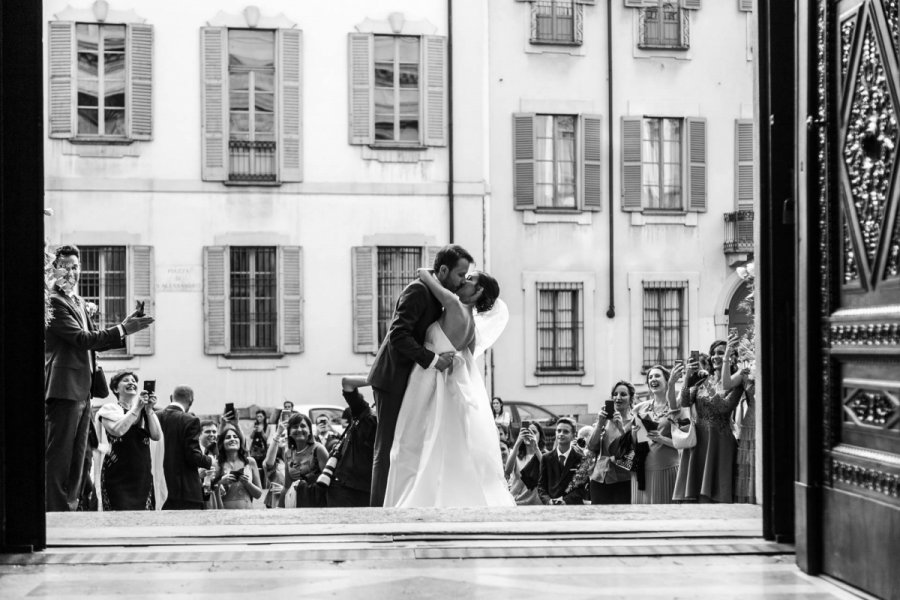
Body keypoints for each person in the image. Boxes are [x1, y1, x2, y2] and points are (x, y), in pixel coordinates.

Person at [383, 267, 515, 508]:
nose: (463, 280)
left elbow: (423, 273)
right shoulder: (471, 325)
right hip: (444, 382)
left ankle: (413, 500)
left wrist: (437, 270)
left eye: (469, 279)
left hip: (427, 379)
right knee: (440, 445)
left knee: (413, 442)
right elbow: (466, 355)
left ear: (479, 290)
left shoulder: (454, 304)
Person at [44, 244, 154, 511]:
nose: (71, 272)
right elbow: (82, 340)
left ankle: (68, 509)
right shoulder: (53, 302)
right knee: (59, 457)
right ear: (53, 270)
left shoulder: (78, 302)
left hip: (83, 390)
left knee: (80, 458)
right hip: (63, 388)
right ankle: (54, 513)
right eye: (65, 266)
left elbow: (97, 342)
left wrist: (125, 327)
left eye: (75, 266)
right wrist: (123, 329)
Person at [367, 244, 472, 507]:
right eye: (460, 275)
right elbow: (398, 335)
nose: (462, 281)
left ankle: (398, 503)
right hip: (393, 379)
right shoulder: (417, 290)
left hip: (412, 381)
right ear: (445, 270)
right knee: (388, 446)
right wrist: (434, 360)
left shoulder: (439, 294)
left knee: (405, 446)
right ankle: (377, 511)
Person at [673, 338, 746, 503]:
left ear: (732, 357)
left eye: (720, 353)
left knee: (716, 497)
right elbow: (685, 401)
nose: (715, 356)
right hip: (699, 441)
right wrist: (688, 377)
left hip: (720, 442)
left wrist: (710, 388)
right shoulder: (704, 379)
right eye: (713, 353)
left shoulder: (736, 382)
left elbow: (724, 407)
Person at [95, 371, 162, 510]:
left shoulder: (145, 411)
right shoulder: (109, 409)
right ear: (115, 389)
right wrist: (137, 407)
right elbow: (118, 430)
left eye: (134, 380)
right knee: (119, 516)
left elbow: (156, 436)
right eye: (126, 380)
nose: (131, 383)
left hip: (141, 475)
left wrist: (149, 410)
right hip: (117, 474)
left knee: (143, 518)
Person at [155, 385, 214, 510]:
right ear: (191, 401)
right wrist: (210, 461)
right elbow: (193, 455)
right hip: (185, 491)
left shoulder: (154, 416)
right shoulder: (190, 420)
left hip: (158, 488)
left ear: (171, 398)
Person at [324, 376, 378, 508]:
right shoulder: (364, 412)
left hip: (371, 489)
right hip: (343, 487)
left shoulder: (397, 423)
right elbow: (347, 382)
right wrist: (379, 378)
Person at [631, 365, 680, 504]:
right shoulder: (639, 408)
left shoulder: (675, 407)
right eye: (650, 377)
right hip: (642, 470)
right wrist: (633, 434)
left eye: (657, 376)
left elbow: (684, 443)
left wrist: (661, 439)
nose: (653, 379)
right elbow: (634, 442)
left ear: (667, 381)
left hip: (667, 469)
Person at [588, 381, 635, 505]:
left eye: (623, 394)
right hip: (600, 477)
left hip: (623, 478)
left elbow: (633, 451)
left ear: (631, 399)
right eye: (615, 394)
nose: (618, 397)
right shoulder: (604, 420)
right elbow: (592, 446)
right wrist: (599, 424)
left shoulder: (635, 422)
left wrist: (621, 429)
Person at [269, 413, 328, 508]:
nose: (299, 429)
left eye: (303, 426)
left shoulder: (319, 450)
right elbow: (287, 486)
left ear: (310, 431)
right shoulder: (288, 453)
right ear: (289, 432)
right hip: (295, 504)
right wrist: (279, 508)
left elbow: (329, 483)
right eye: (295, 426)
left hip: (316, 505)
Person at [214, 423, 263, 509]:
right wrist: (220, 483)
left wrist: (248, 483)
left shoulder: (250, 462)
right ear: (222, 443)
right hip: (225, 514)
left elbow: (258, 495)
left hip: (247, 513)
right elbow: (211, 493)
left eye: (235, 437)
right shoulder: (217, 464)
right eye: (228, 437)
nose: (232, 439)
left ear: (240, 441)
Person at [538, 418, 584, 505]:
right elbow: (541, 486)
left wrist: (565, 501)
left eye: (565, 431)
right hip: (551, 508)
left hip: (572, 507)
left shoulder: (581, 459)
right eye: (558, 431)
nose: (561, 434)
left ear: (574, 436)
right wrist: (548, 501)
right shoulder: (546, 458)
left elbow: (581, 488)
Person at [505, 421, 543, 505]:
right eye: (527, 432)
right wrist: (518, 442)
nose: (529, 435)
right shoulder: (516, 455)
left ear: (540, 435)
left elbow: (547, 471)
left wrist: (536, 448)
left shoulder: (544, 455)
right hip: (517, 503)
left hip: (537, 505)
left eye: (534, 432)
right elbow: (507, 471)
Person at [197, 420, 221, 509]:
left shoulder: (215, 452)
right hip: (197, 498)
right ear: (199, 434)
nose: (212, 434)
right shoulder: (195, 452)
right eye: (207, 432)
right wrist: (198, 475)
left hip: (212, 497)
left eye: (214, 432)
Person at [248, 411, 270, 488]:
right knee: (254, 466)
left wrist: (262, 431)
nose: (259, 418)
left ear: (264, 417)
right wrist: (254, 430)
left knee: (263, 467)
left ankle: (263, 485)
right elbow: (251, 437)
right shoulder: (255, 425)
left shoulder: (267, 426)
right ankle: (255, 484)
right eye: (257, 416)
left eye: (260, 416)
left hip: (263, 449)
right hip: (255, 449)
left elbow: (266, 438)